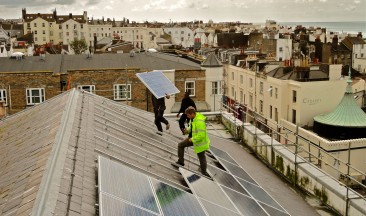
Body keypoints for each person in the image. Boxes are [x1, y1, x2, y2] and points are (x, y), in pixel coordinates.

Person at [174, 106, 210, 177]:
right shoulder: (193, 119)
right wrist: (187, 131)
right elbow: (191, 128)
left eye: (188, 115)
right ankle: (181, 162)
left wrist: (192, 139)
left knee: (201, 157)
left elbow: (201, 135)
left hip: (200, 142)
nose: (187, 116)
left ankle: (204, 173)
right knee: (180, 145)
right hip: (194, 139)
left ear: (192, 114)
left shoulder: (199, 122)